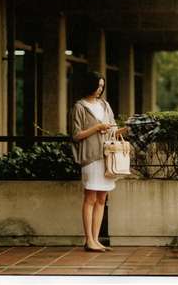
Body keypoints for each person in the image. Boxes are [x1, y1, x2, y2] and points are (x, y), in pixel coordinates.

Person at [71, 71, 127, 252]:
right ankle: (88, 240)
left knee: (102, 198)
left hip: (106, 157)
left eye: (102, 86)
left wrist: (126, 128)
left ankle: (96, 240)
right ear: (89, 85)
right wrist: (97, 127)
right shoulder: (79, 107)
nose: (100, 89)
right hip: (90, 157)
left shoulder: (105, 105)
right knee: (90, 197)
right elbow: (76, 135)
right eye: (97, 85)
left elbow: (113, 132)